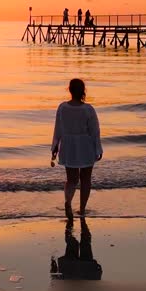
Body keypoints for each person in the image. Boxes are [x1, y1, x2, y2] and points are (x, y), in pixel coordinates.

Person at [51, 77, 103, 220]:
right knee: (85, 179)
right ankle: (82, 209)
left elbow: (58, 129)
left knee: (71, 179)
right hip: (85, 146)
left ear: (70, 90)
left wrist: (55, 146)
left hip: (68, 146)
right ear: (83, 91)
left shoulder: (62, 107)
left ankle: (68, 201)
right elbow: (95, 131)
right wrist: (98, 149)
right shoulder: (88, 109)